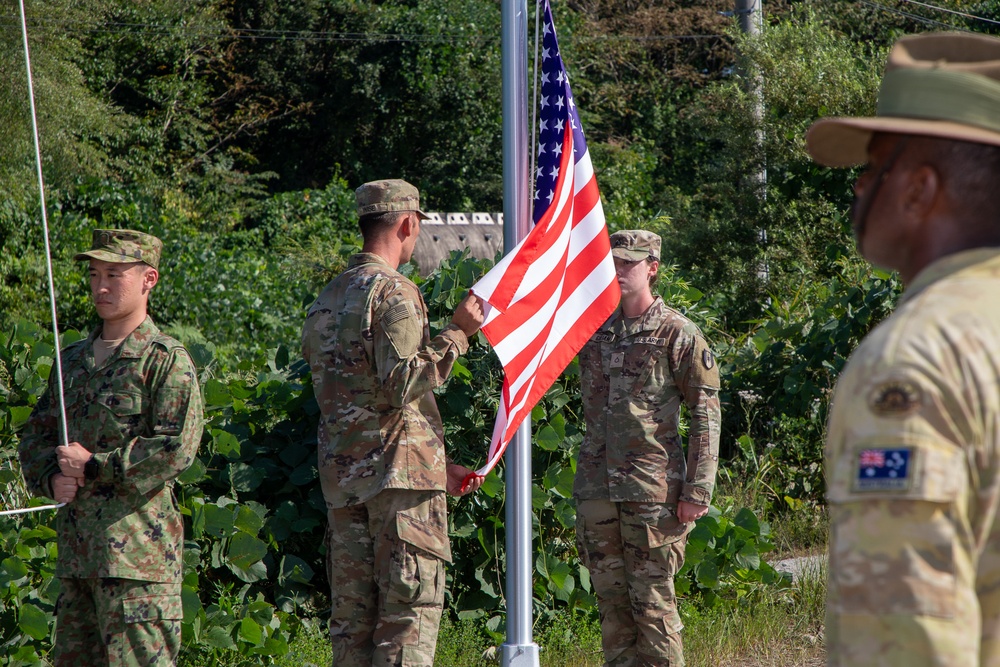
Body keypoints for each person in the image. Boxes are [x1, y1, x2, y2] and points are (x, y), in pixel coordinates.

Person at [806, 32, 1000, 666]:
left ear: (917, 189)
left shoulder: (916, 358)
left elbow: (908, 641)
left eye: (871, 167)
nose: (859, 189)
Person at [301, 178, 485, 666]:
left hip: (345, 485)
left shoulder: (327, 299)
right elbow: (402, 383)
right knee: (406, 624)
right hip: (399, 490)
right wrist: (457, 333)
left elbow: (351, 397)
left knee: (353, 633)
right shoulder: (394, 292)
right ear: (407, 223)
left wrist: (436, 460)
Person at [17, 229, 204, 666]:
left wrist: (94, 466)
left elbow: (175, 448)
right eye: (95, 273)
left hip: (137, 566)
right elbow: (34, 437)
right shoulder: (72, 361)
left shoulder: (165, 360)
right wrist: (52, 476)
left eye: (114, 275)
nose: (101, 286)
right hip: (78, 562)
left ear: (148, 279)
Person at [574, 229, 721, 667]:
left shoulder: (678, 333)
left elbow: (705, 415)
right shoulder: (594, 332)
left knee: (653, 611)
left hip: (653, 493)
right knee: (613, 613)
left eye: (628, 263)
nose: (617, 270)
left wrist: (697, 491)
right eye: (613, 262)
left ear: (652, 268)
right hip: (598, 489)